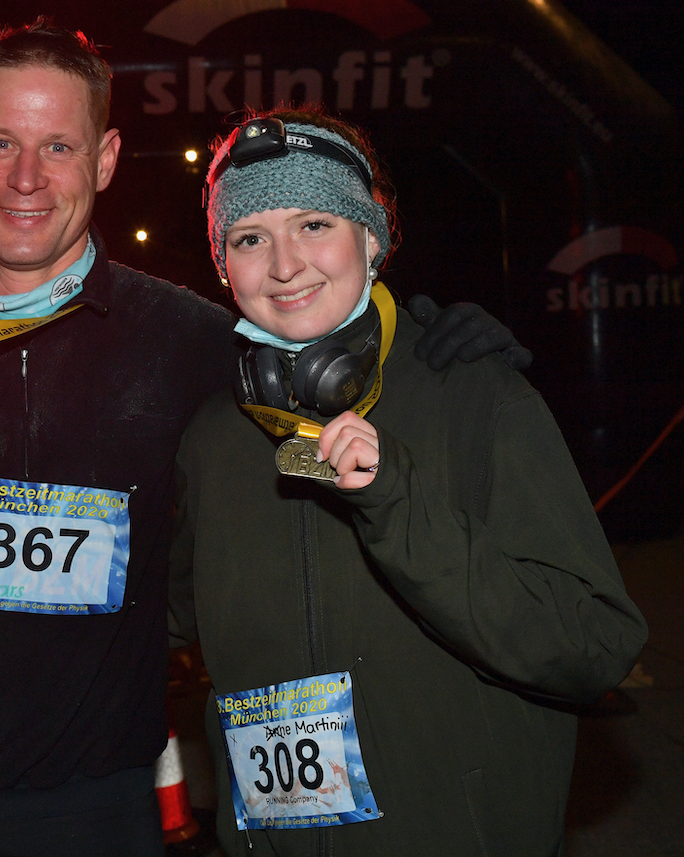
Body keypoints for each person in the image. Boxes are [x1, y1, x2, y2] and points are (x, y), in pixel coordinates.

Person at [0, 20, 525, 856]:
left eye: (59, 148)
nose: (27, 178)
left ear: (105, 159)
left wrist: (429, 344)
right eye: (2, 142)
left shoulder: (188, 341)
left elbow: (322, 359)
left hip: (98, 811)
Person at [167, 105, 648, 856]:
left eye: (315, 225)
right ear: (224, 264)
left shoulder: (479, 396)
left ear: (373, 237)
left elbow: (592, 644)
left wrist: (398, 504)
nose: (285, 264)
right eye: (251, 238)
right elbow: (154, 619)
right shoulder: (210, 437)